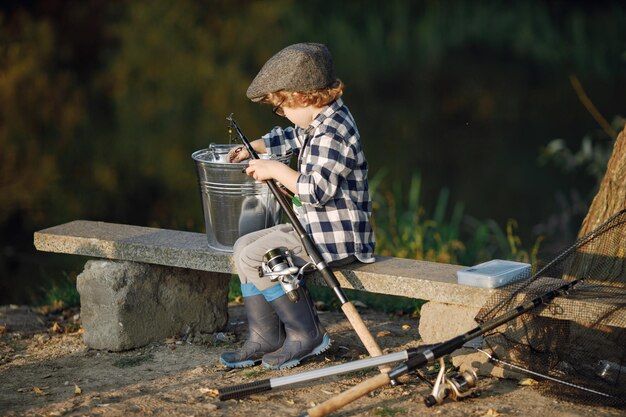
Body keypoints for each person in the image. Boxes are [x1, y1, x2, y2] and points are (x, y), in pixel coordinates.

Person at [220, 42, 375, 370]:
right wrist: (258, 147)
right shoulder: (321, 120)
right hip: (315, 228)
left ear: (302, 98)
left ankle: (307, 335)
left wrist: (275, 169)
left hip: (337, 237)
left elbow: (314, 190)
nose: (282, 114)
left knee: (256, 255)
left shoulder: (334, 133)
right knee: (243, 246)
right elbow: (294, 136)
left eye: (281, 107)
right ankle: (266, 337)